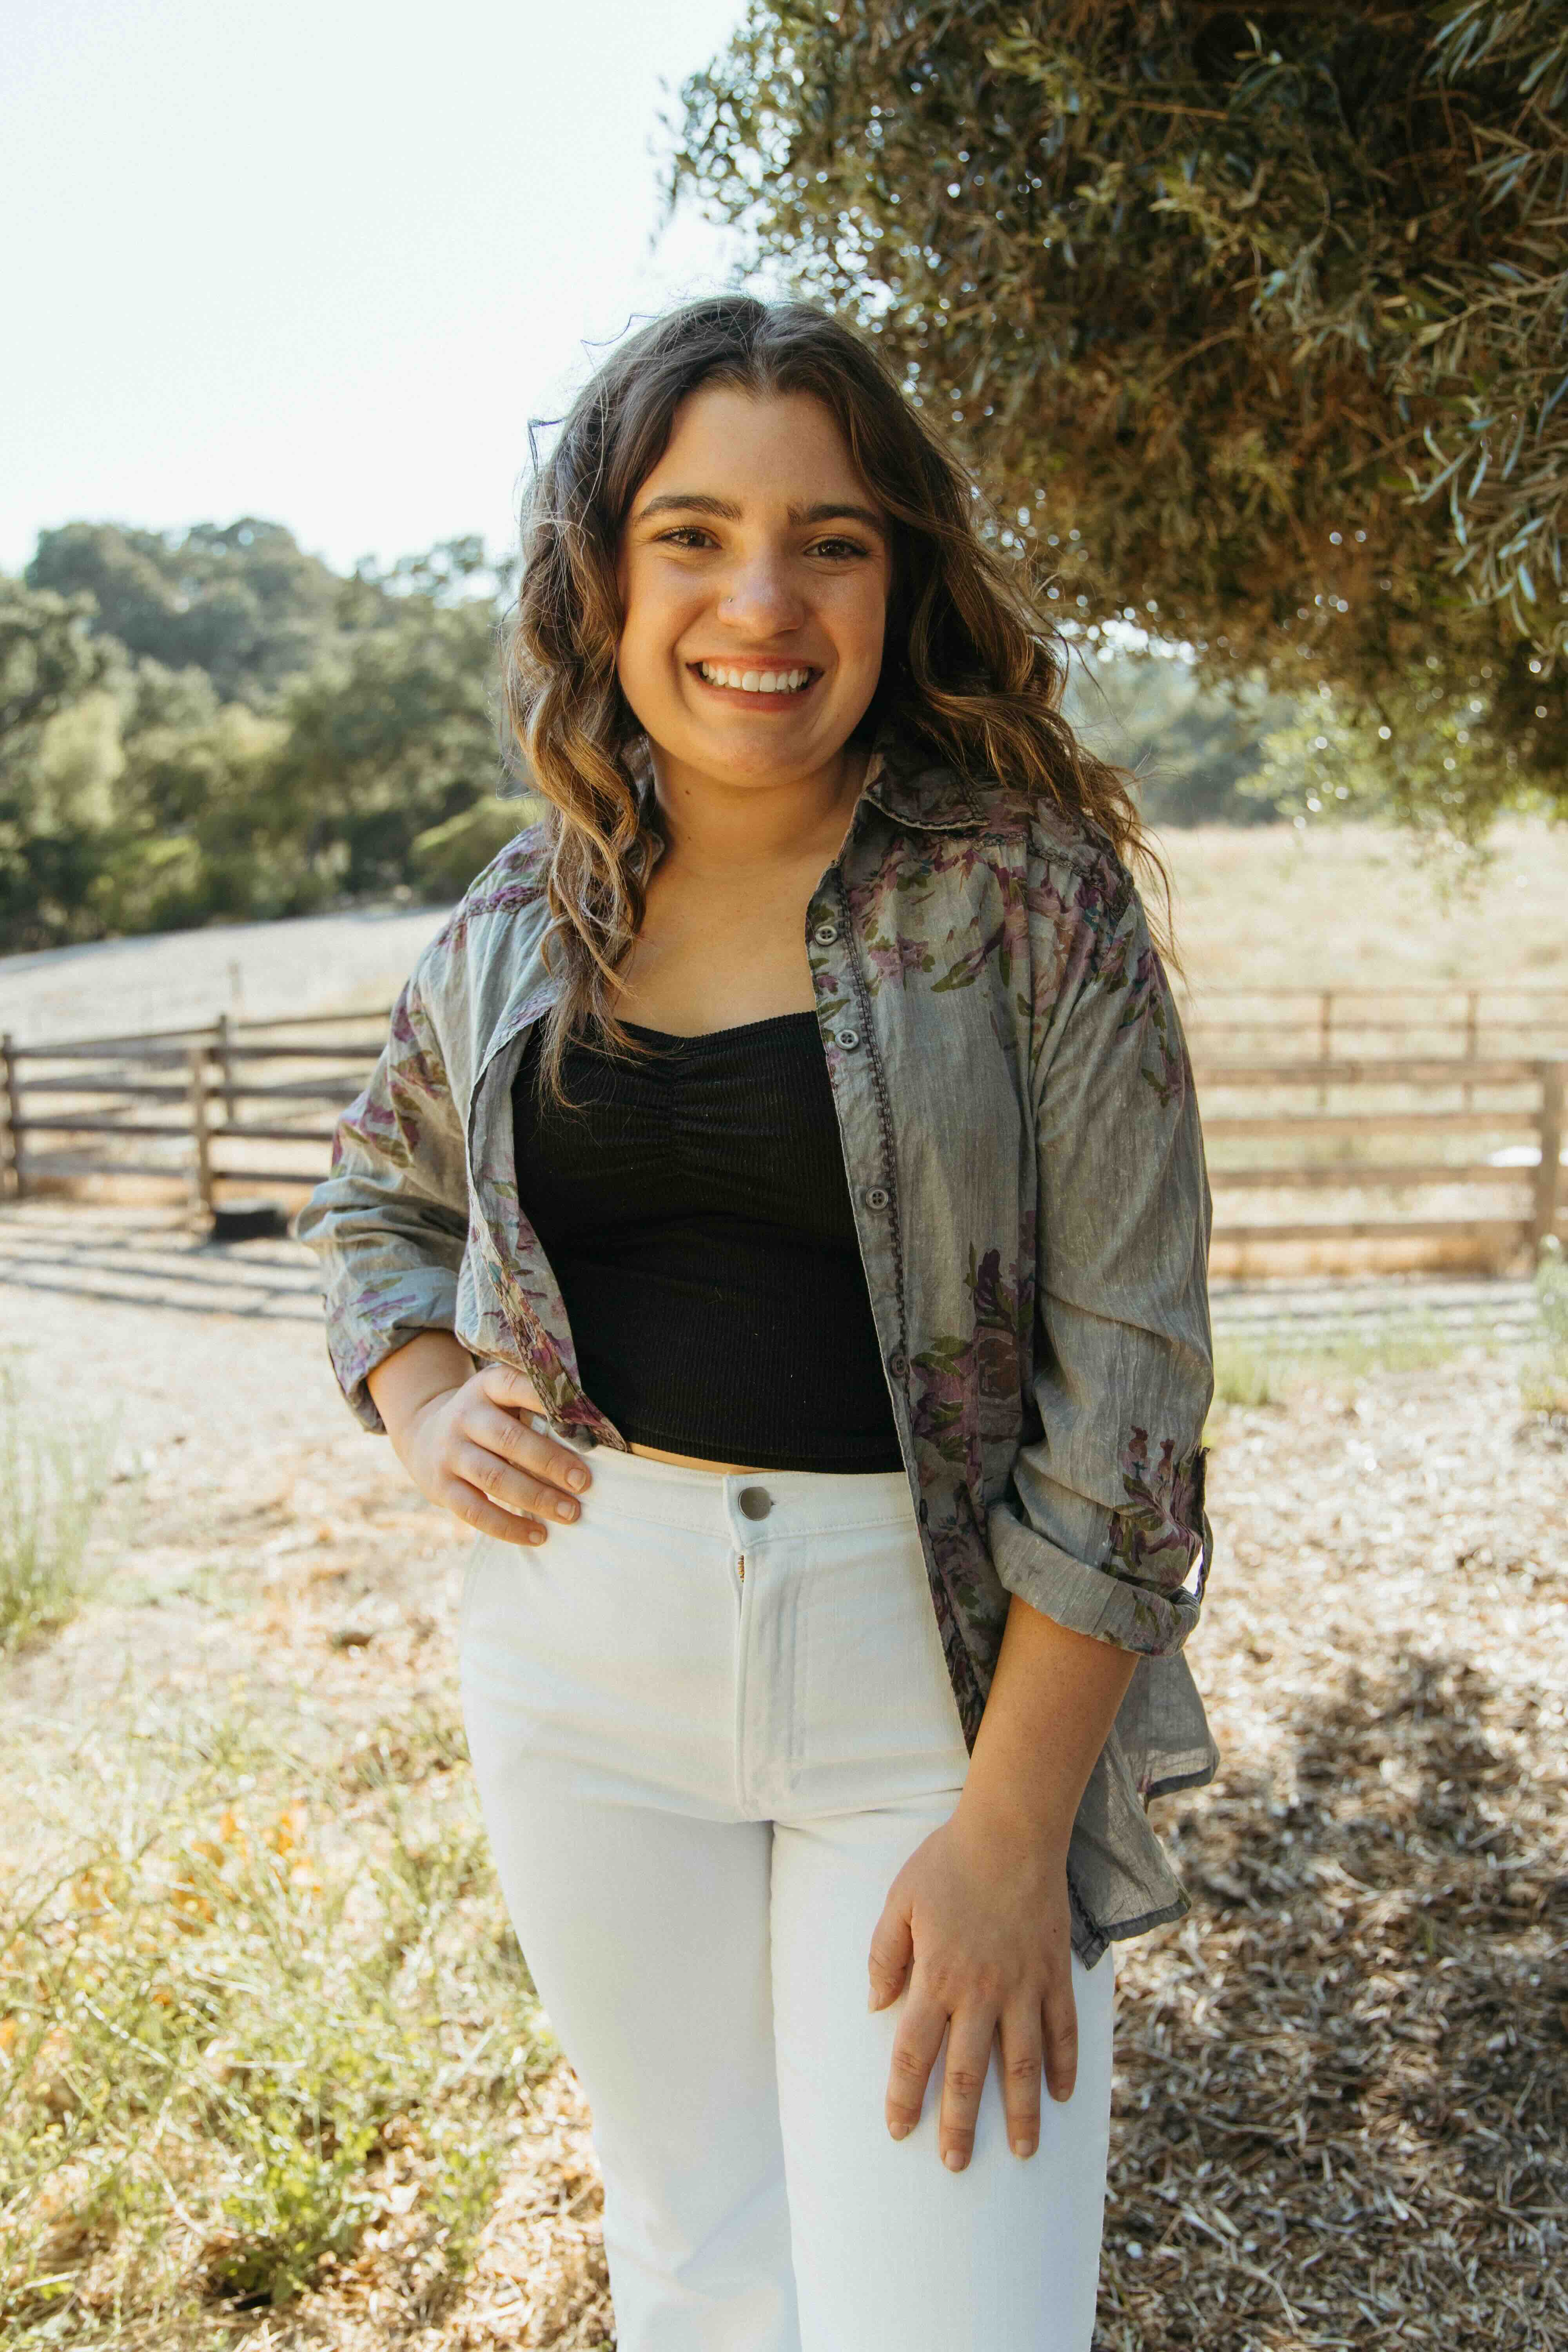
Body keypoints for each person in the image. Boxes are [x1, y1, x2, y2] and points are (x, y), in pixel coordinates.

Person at [296, 293, 1217, 2352]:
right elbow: (372, 1196)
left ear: (900, 581)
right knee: (704, 2266)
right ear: (605, 579)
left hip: (937, 1692)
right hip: (583, 1669)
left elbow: (1136, 1404)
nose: (764, 602)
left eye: (832, 542)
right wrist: (424, 1398)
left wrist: (1012, 1833)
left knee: (956, 2315)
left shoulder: (1030, 902)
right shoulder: (526, 913)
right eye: (694, 535)